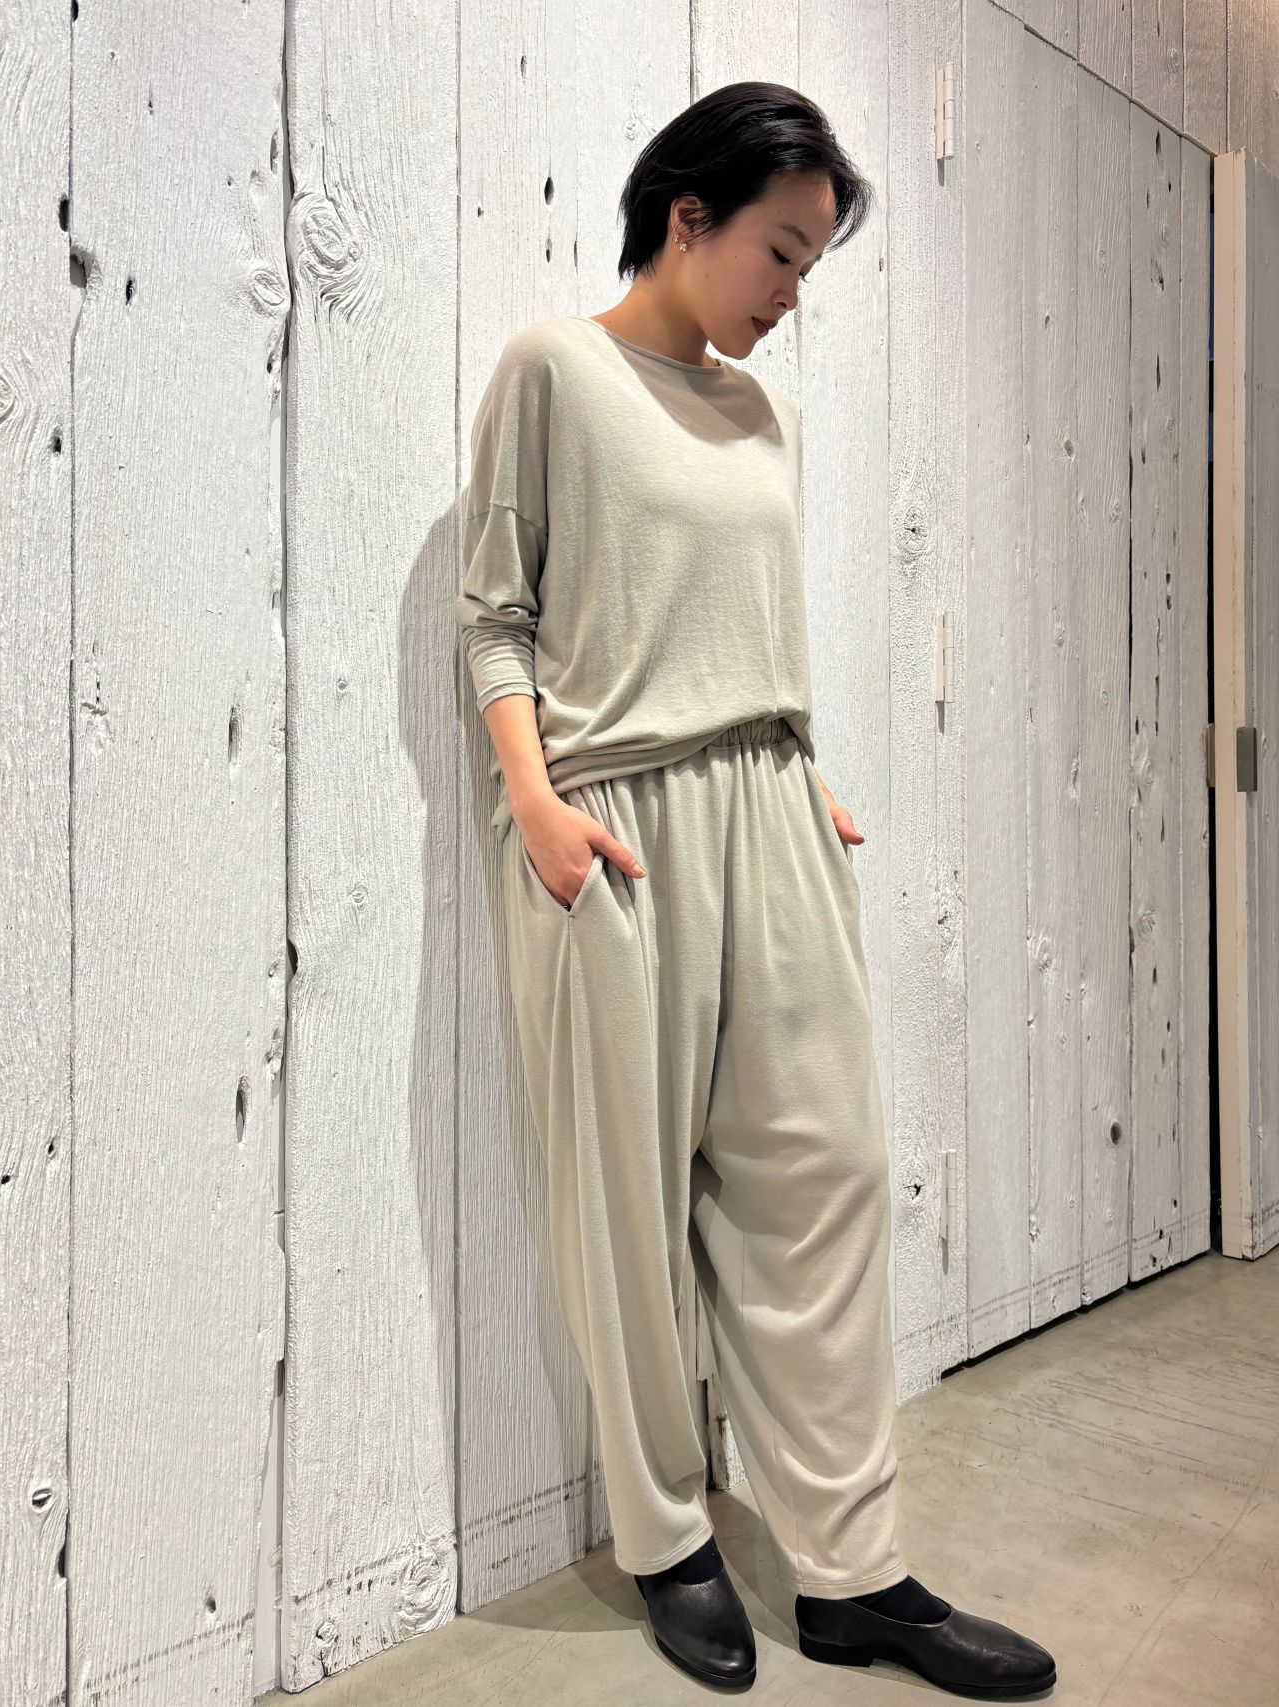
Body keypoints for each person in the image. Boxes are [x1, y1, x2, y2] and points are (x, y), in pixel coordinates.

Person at [454, 81, 1056, 1698]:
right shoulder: (554, 371)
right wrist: (536, 806)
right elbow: (495, 616)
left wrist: (796, 763)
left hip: (774, 805)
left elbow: (741, 613)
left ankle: (854, 1572)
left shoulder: (761, 417)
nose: (792, 291)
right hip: (613, 824)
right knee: (626, 1211)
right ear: (689, 214)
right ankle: (669, 1539)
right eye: (780, 251)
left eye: (811, 262)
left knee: (827, 1177)